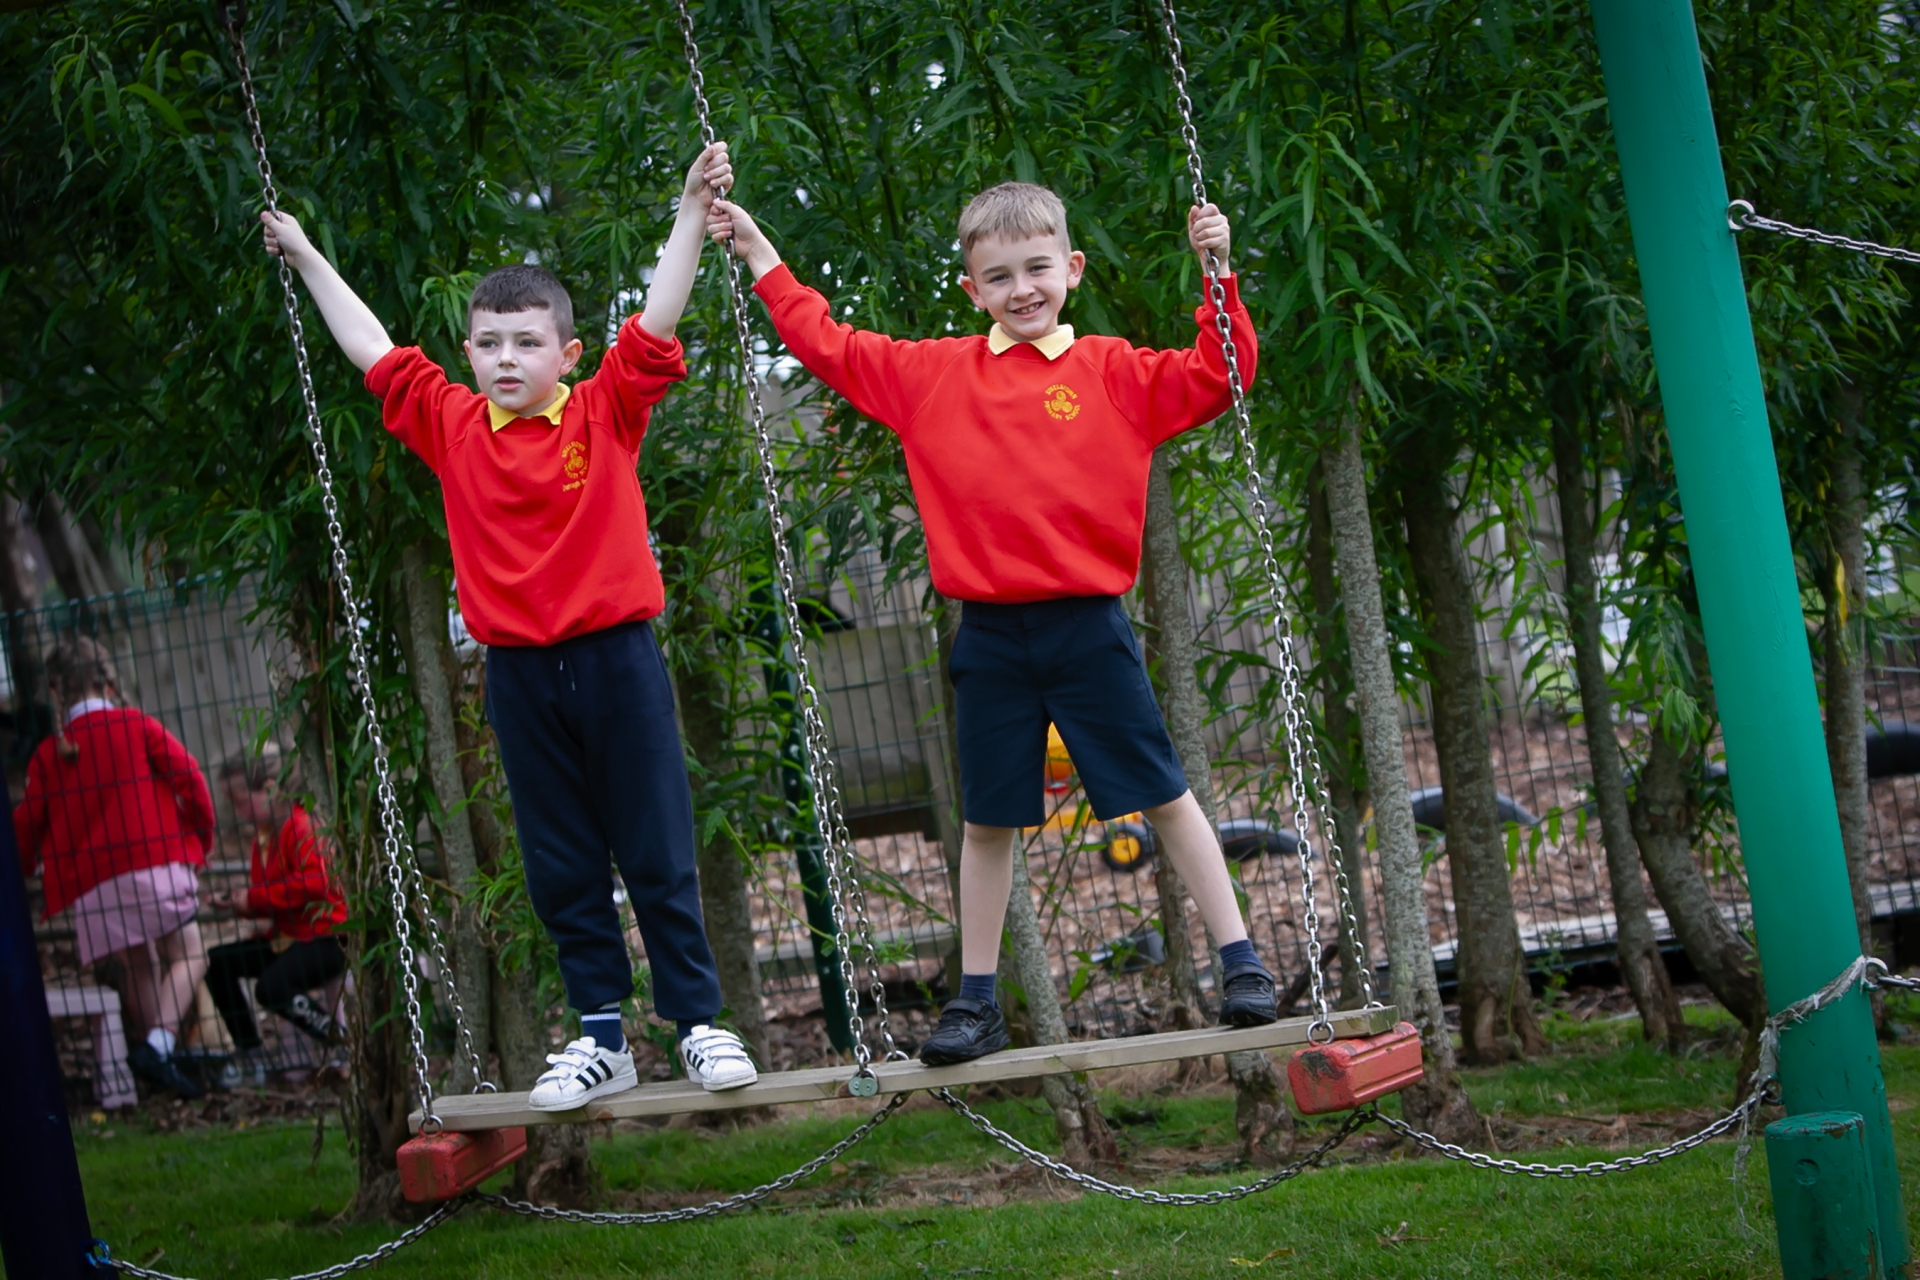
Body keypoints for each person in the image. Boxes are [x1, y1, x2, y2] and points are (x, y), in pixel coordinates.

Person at [707, 181, 1280, 1065]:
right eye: (999, 276)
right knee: (987, 822)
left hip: (1088, 627)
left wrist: (1219, 271)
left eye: (1037, 269)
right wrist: (756, 251)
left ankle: (1241, 961)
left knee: (1165, 795)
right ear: (971, 289)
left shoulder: (1114, 373)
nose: (1022, 290)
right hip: (990, 634)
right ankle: (976, 1001)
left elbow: (1221, 371)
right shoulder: (933, 377)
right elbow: (828, 344)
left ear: (1072, 270)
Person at [260, 142, 757, 1108]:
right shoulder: (451, 424)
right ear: (470, 354)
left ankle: (698, 1024)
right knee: (562, 859)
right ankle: (602, 1038)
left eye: (527, 344)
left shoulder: (605, 411)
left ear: (567, 355)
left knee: (655, 845)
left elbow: (658, 316)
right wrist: (309, 254)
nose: (505, 360)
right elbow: (371, 348)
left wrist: (691, 212)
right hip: (521, 673)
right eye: (488, 345)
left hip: (617, 659)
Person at [14, 636, 216, 1097]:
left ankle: (159, 1063)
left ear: (57, 690)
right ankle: (159, 1047)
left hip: (93, 888)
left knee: (140, 965)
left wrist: (26, 866)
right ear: (107, 680)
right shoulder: (135, 724)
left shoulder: (48, 754)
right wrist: (200, 839)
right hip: (152, 861)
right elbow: (192, 778)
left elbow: (26, 822)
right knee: (191, 954)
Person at [204, 747, 347, 1058]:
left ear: (270, 789)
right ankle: (250, 1051)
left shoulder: (302, 825)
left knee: (271, 989)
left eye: (240, 802)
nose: (238, 812)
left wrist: (253, 899)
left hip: (326, 937)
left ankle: (342, 1040)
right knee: (217, 963)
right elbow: (272, 895)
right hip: (290, 937)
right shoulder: (266, 837)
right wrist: (239, 902)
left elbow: (316, 884)